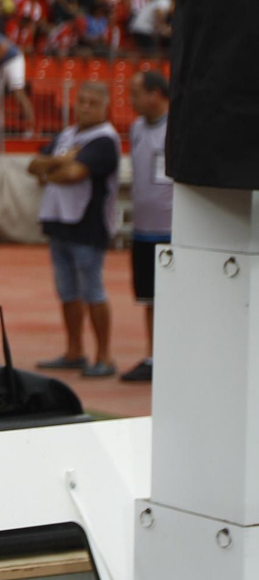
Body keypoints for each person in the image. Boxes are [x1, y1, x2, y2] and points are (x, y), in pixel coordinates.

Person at [27, 81, 121, 378]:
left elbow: (74, 174)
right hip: (58, 223)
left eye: (92, 102)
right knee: (67, 291)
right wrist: (59, 161)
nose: (85, 107)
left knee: (93, 290)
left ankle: (104, 356)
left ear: (105, 106)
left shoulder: (105, 140)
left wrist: (51, 168)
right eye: (82, 100)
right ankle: (74, 351)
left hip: (87, 225)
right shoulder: (67, 135)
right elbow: (32, 165)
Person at [123, 70, 170, 383]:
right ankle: (154, 357)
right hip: (143, 230)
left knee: (174, 298)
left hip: (172, 231)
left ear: (155, 94)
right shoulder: (137, 128)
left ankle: (176, 355)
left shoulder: (178, 128)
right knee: (149, 299)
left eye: (136, 93)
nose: (130, 100)